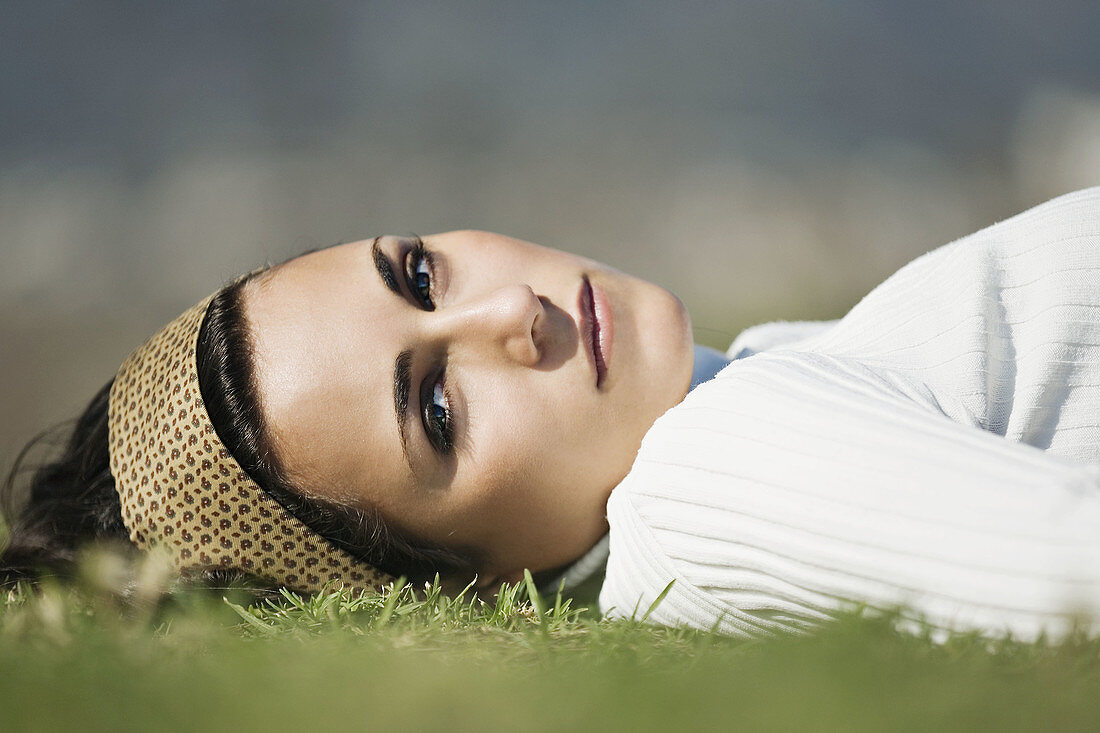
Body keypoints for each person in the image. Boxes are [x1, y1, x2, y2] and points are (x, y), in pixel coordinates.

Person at [4, 187, 1100, 641]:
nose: (511, 311)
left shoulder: (718, 408)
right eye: (436, 407)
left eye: (419, 274)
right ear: (470, 583)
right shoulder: (710, 471)